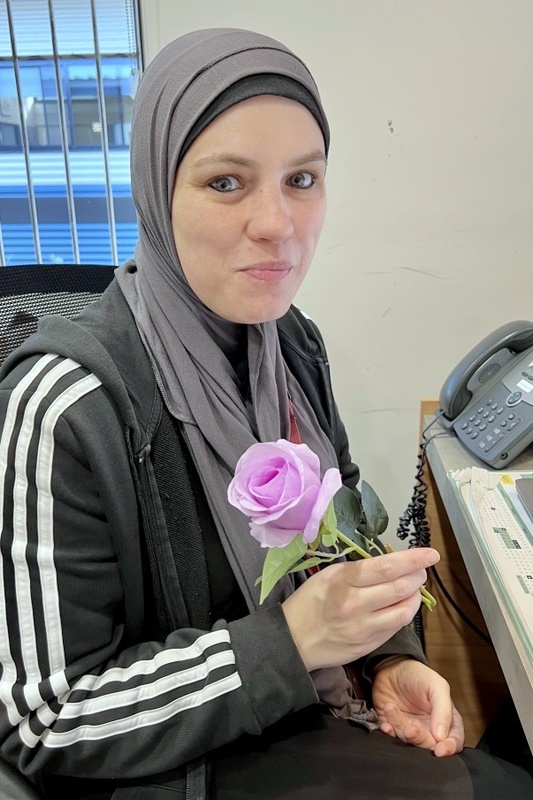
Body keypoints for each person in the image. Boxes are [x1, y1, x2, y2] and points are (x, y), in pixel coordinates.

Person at [0, 27, 531, 800]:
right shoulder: (64, 407)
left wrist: (391, 657)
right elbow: (45, 719)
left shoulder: (289, 346)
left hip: (303, 713)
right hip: (173, 769)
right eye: (225, 183)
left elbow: (340, 538)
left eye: (302, 179)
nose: (278, 224)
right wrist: (287, 642)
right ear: (156, 188)